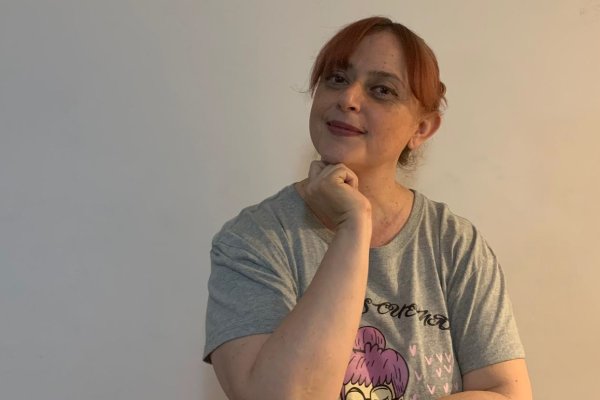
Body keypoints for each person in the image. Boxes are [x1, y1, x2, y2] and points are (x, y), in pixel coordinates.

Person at [203, 16, 532, 400]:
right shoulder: (253, 241)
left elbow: (504, 392)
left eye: (381, 90)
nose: (348, 98)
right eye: (336, 78)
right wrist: (353, 227)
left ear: (422, 129)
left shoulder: (455, 244)